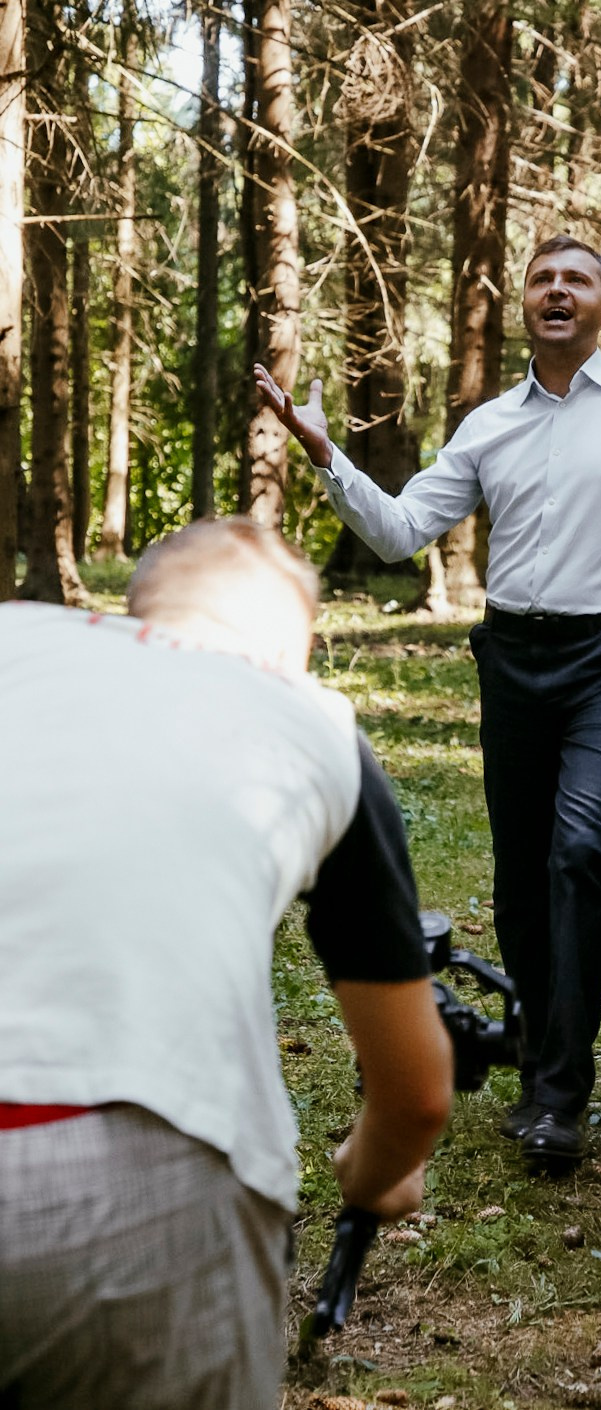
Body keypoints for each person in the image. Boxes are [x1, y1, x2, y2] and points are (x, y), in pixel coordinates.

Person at [255, 234, 601, 1171]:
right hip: (511, 660)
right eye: (541, 280)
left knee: (576, 854)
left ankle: (561, 1091)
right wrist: (326, 456)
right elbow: (399, 532)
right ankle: (533, 1061)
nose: (556, 292)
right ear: (524, 303)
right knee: (521, 882)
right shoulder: (488, 424)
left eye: (577, 281)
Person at [0, 518, 454, 1410]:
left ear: (138, 609)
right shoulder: (308, 718)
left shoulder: (16, 637)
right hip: (129, 1187)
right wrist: (373, 1171)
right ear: (293, 646)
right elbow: (417, 1092)